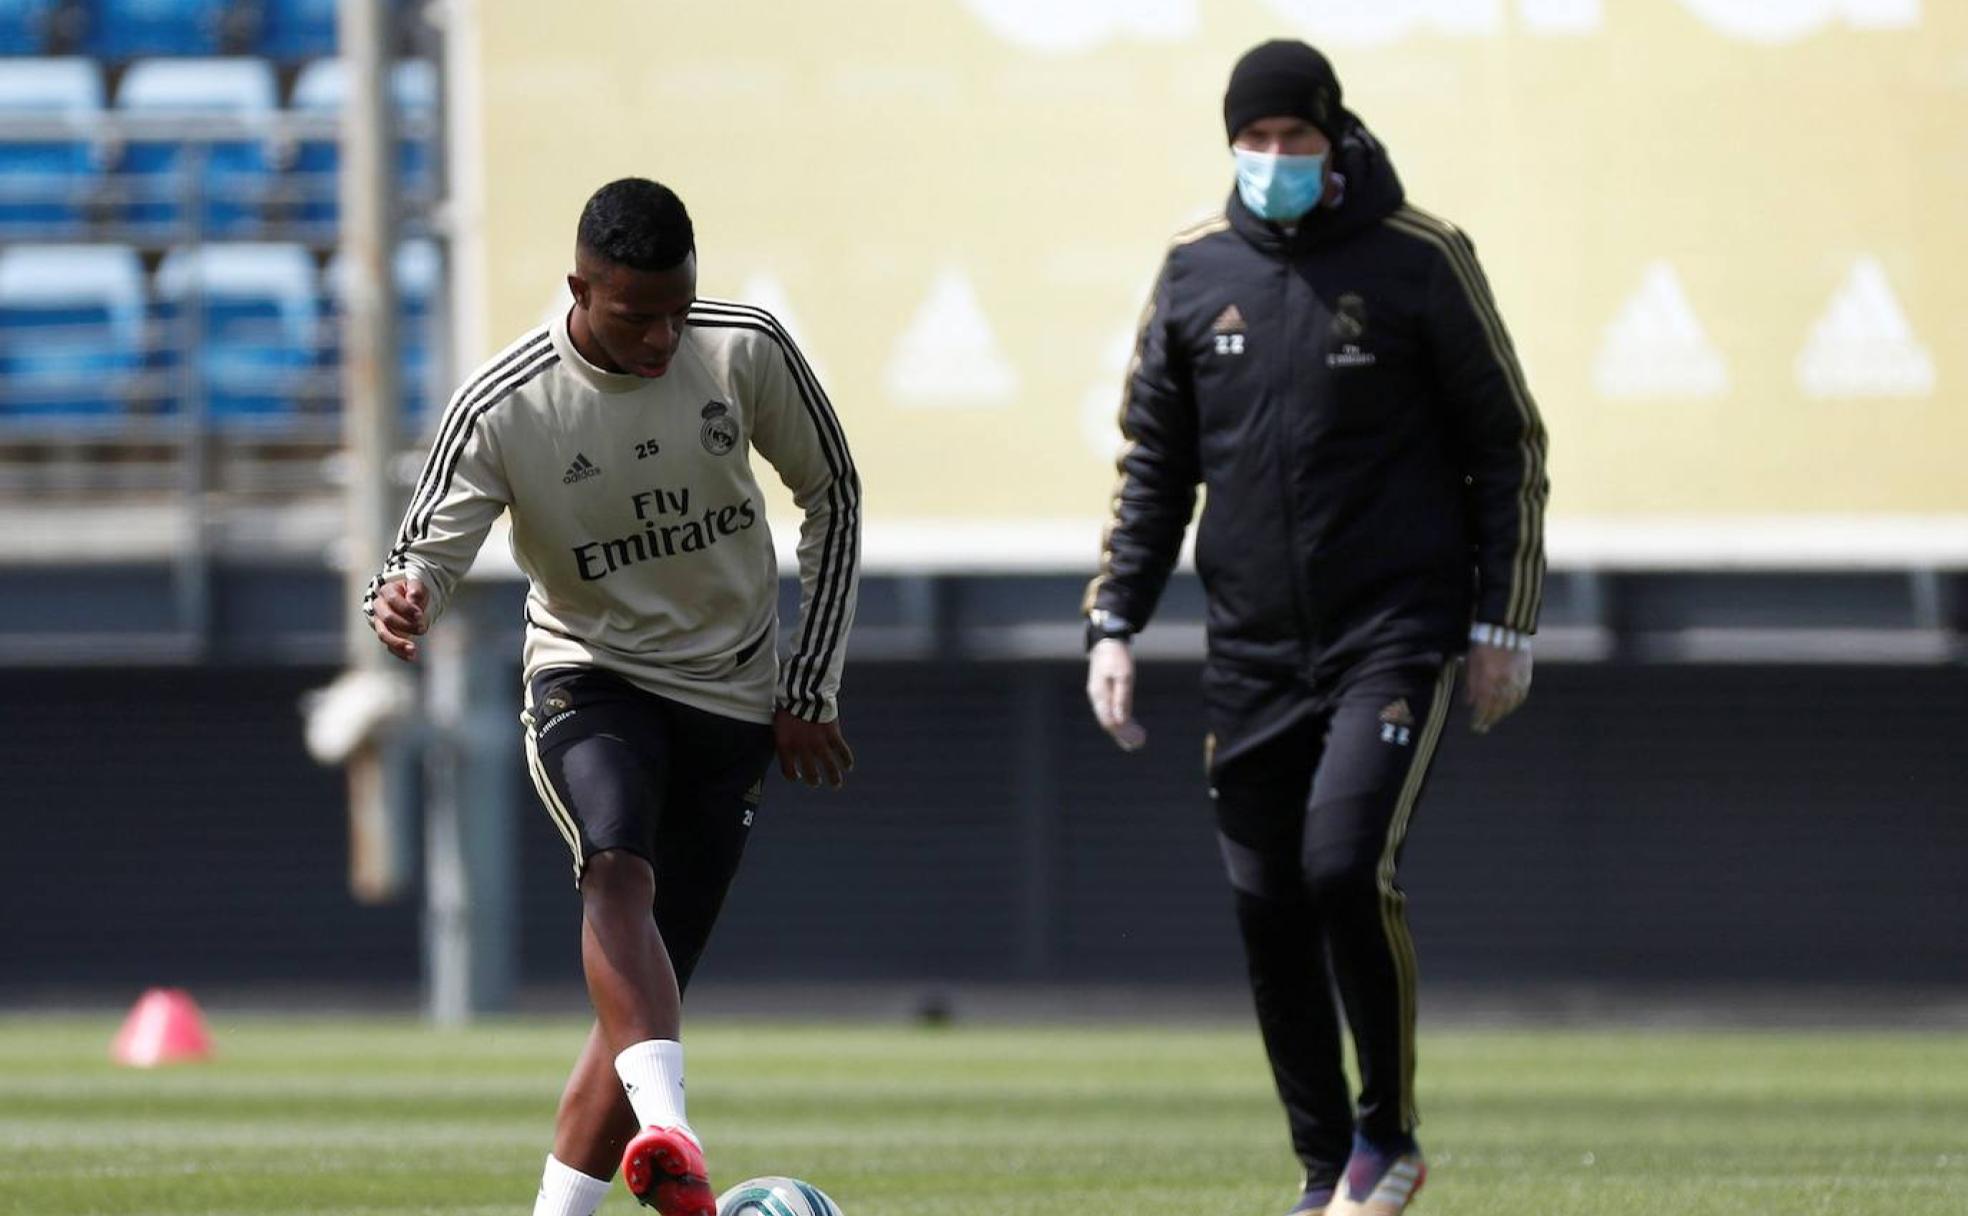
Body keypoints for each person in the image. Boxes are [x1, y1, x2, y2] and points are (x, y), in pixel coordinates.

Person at [1081, 39, 1548, 1216]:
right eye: (1256, 141)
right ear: (1230, 145)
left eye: (1296, 139)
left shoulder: (1419, 260)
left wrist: (1506, 621)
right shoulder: (1193, 272)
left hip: (1393, 634)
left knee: (1343, 862)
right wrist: (1114, 623)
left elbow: (1509, 446)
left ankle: (1388, 1136)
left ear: (1334, 138)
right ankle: (1320, 1164)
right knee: (1265, 902)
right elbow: (1154, 465)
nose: (1275, 161)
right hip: (1249, 652)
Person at [364, 177, 861, 1216]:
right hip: (592, 673)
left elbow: (834, 491)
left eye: (678, 308)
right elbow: (423, 553)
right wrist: (405, 595)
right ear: (578, 288)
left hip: (731, 693)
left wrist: (808, 682)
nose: (662, 337)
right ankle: (674, 1133)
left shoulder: (745, 348)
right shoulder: (507, 402)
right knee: (615, 861)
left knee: (643, 999)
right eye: (637, 315)